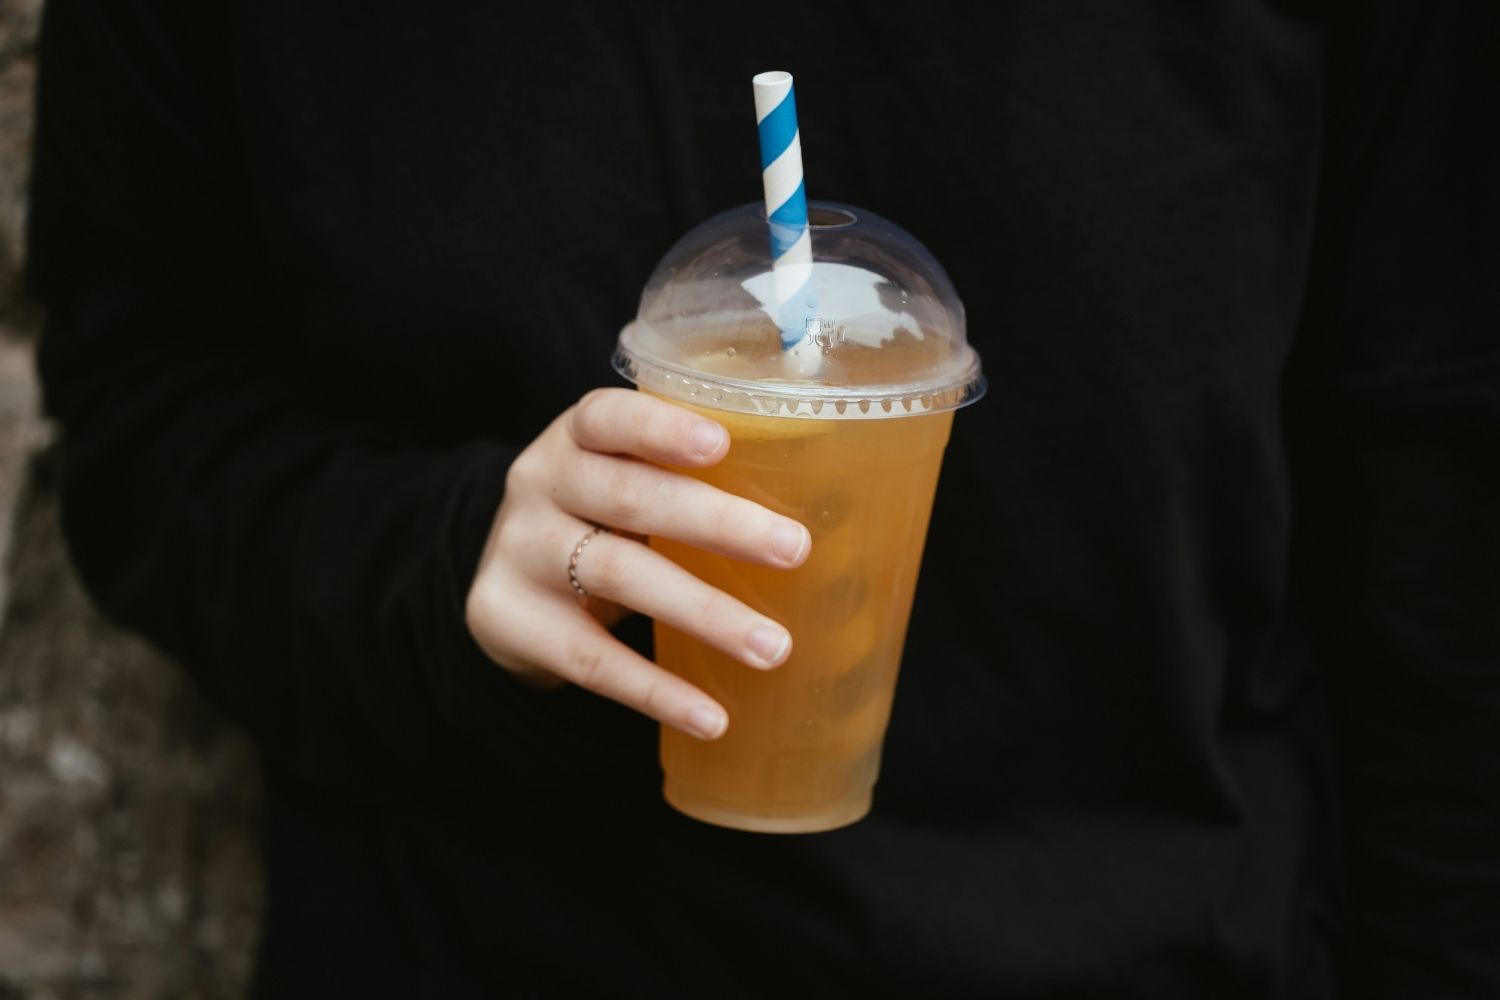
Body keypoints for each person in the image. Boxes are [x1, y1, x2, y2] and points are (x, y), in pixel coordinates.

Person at [28, 1, 1498, 996]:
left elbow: (1440, 486)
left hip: (1163, 937)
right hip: (486, 943)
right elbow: (146, 408)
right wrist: (444, 559)